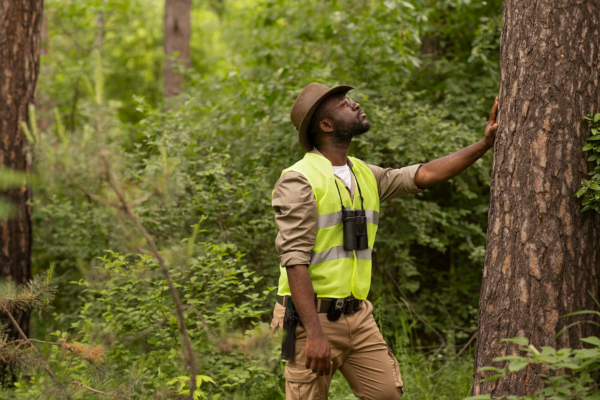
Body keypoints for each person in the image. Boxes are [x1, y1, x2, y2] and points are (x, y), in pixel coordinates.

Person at [271, 82, 499, 400]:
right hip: (308, 319)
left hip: (357, 314)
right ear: (325, 125)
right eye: (341, 104)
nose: (353, 104)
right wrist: (314, 333)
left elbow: (425, 175)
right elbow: (295, 260)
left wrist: (484, 144)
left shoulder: (366, 174)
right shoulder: (298, 179)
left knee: (387, 394)